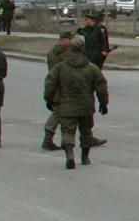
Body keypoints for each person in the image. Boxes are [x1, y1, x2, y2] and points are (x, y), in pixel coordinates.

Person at [45, 39, 108, 169]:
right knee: (86, 132)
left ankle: (70, 155)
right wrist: (103, 103)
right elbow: (101, 86)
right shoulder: (92, 68)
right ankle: (85, 158)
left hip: (67, 105)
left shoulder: (61, 67)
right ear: (83, 50)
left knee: (68, 132)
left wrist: (49, 99)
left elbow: (50, 83)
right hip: (86, 106)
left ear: (70, 49)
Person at [41, 29, 76, 151]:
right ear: (63, 40)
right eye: (70, 39)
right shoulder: (57, 54)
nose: (72, 41)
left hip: (67, 88)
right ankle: (48, 139)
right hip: (62, 89)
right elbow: (57, 74)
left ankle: (48, 139)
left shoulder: (65, 51)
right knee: (59, 114)